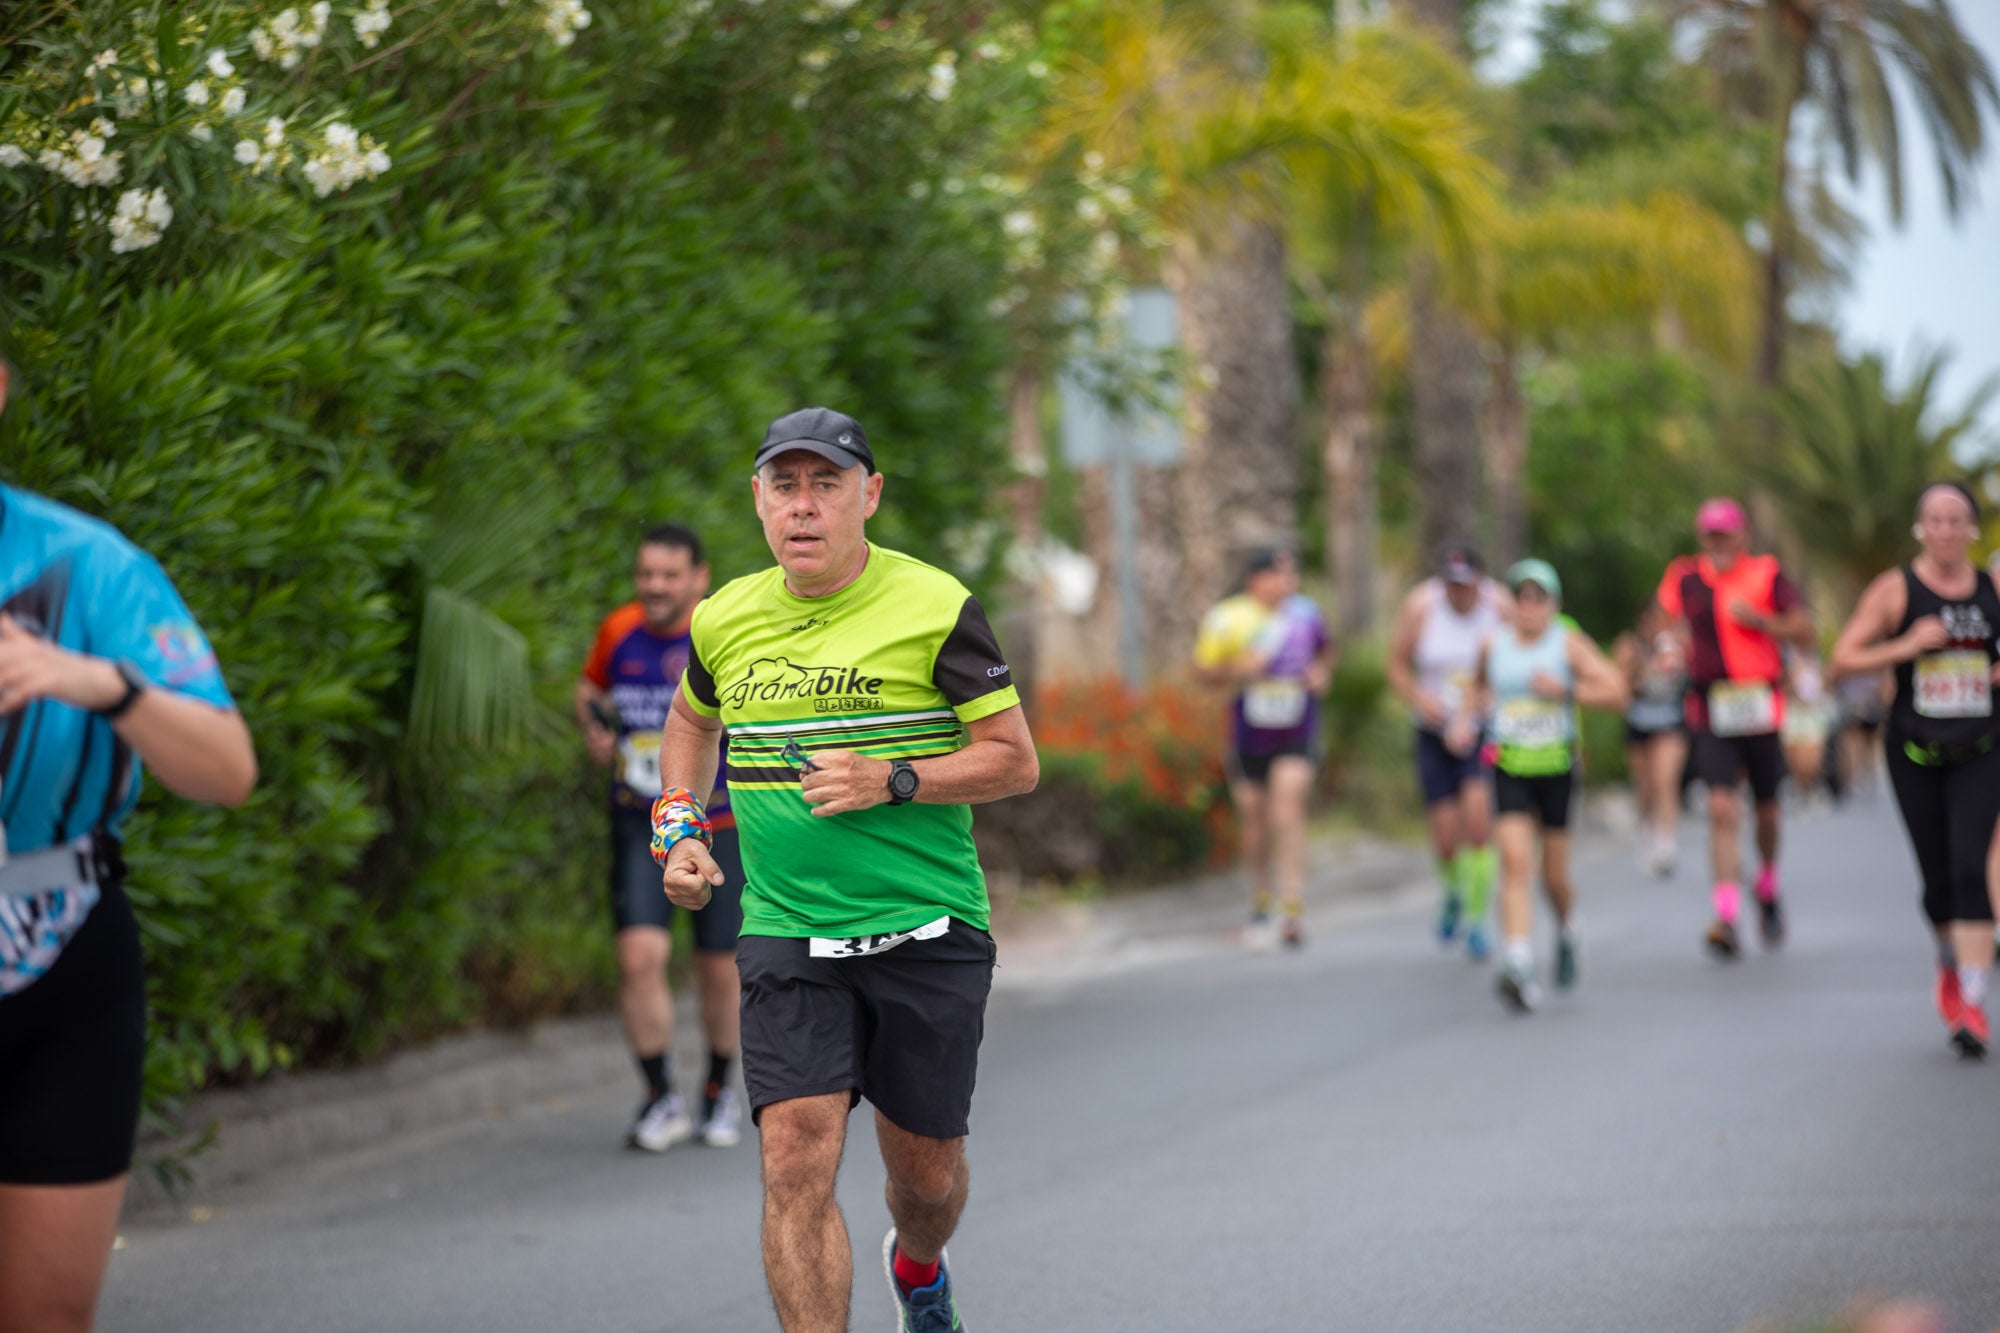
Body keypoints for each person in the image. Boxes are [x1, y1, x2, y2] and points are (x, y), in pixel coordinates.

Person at [654, 407, 1038, 1333]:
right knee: (793, 1157)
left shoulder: (935, 606)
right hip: (787, 928)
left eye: (825, 484)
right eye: (784, 486)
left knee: (927, 1177)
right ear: (757, 500)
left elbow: (1015, 760)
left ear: (868, 495)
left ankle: (919, 1262)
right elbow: (690, 723)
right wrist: (680, 828)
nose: (804, 507)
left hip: (926, 927)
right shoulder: (726, 617)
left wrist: (892, 778)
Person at [0, 358, 258, 1333]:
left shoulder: (88, 563)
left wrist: (98, 681)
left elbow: (228, 769)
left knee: (45, 1314)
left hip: (63, 948)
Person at [577, 524, 743, 1152]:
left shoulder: (722, 634)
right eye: (646, 573)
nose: (655, 586)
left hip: (720, 824)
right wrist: (595, 730)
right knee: (637, 959)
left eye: (669, 575)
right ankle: (659, 1096)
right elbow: (589, 689)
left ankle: (717, 1092)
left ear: (699, 577)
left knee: (719, 968)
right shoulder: (619, 631)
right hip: (639, 819)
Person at [1829, 481, 2000, 1058]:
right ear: (1919, 528)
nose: (1947, 530)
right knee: (1938, 881)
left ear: (1972, 529)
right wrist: (1902, 648)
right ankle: (1950, 962)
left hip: (1982, 749)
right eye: (1935, 519)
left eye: (1957, 520)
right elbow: (1841, 659)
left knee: (1971, 866)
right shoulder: (1895, 589)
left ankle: (1973, 1002)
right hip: (1915, 754)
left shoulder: (1992, 587)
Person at [1656, 498, 1814, 960]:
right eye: (1709, 536)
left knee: (1767, 813)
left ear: (1742, 537)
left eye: (1724, 535)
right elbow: (1666, 626)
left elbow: (1805, 629)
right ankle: (1725, 914)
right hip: (1710, 708)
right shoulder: (1684, 578)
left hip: (1761, 706)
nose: (1717, 544)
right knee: (1721, 808)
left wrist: (1761, 621)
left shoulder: (1767, 574)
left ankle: (1766, 882)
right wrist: (1668, 648)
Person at [1473, 560, 1628, 1012]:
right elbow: (1478, 690)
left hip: (1557, 767)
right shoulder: (1492, 646)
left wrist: (1565, 692)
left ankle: (1567, 928)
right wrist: (1470, 716)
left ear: (1552, 605)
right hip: (1510, 764)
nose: (1528, 606)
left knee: (1553, 876)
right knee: (1515, 861)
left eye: (1537, 598)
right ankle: (1517, 959)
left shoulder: (1568, 644)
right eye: (1520, 597)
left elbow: (1617, 693)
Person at [1192, 548, 1335, 949]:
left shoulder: (1306, 614)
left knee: (1286, 807)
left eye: (1291, 575)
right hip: (1248, 733)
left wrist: (1321, 673)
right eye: (1277, 575)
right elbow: (1202, 671)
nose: (1286, 583)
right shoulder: (1227, 618)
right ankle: (1261, 901)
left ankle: (1293, 906)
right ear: (1255, 579)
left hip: (1297, 728)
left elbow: (1327, 650)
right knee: (1254, 820)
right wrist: (1240, 668)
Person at [1387, 545, 1510, 959]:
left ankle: (1478, 921)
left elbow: (1517, 658)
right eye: (1451, 585)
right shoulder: (1422, 606)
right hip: (1434, 730)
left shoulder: (1500, 607)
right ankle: (1454, 892)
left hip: (1480, 729)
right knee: (1444, 836)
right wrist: (1422, 700)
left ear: (1480, 581)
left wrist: (1490, 699)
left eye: (1466, 586)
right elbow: (1396, 666)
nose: (1458, 594)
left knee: (1478, 824)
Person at [1613, 598, 1689, 878]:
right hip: (1639, 721)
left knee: (1665, 780)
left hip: (1669, 722)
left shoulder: (1676, 643)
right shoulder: (1630, 646)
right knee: (1645, 786)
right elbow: (1618, 686)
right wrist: (1643, 670)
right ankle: (1647, 830)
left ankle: (1665, 843)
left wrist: (1680, 654)